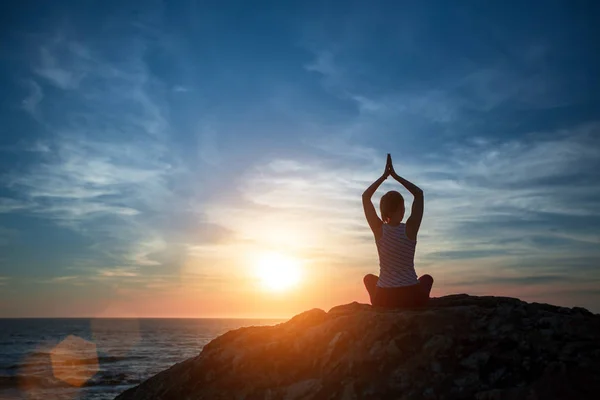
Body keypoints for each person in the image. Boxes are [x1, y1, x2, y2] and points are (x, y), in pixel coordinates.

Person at [362, 154, 433, 308]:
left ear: (383, 211)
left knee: (369, 279)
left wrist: (383, 177)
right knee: (427, 279)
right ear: (401, 209)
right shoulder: (410, 229)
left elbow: (366, 197)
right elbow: (419, 194)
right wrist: (396, 176)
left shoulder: (378, 230)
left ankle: (378, 305)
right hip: (412, 296)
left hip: (384, 299)